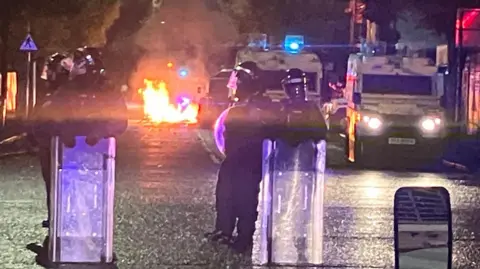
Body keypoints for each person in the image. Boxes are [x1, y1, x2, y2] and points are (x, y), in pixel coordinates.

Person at [32, 49, 128, 228]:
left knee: (95, 194)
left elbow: (120, 120)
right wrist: (61, 131)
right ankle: (59, 223)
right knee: (61, 187)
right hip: (67, 152)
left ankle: (95, 229)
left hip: (97, 154)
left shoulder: (107, 91)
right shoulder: (67, 90)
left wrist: (100, 132)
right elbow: (45, 118)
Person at [205, 62, 279, 254]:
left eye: (238, 81)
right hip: (233, 157)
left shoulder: (262, 105)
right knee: (225, 193)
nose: (234, 85)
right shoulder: (239, 104)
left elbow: (268, 130)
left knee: (246, 197)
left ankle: (244, 237)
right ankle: (224, 230)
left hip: (249, 159)